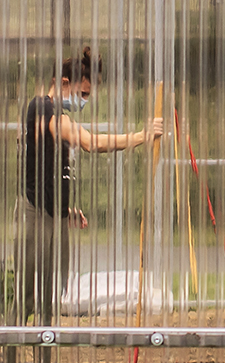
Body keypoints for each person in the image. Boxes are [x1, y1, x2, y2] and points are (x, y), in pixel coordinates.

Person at [14, 46, 164, 325]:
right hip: (34, 214)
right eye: (82, 94)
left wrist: (63, 208)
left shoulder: (55, 115)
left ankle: (44, 360)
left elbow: (48, 169)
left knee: (51, 298)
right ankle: (10, 355)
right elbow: (90, 143)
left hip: (53, 214)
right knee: (27, 297)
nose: (84, 101)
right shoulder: (43, 110)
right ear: (63, 84)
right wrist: (141, 135)